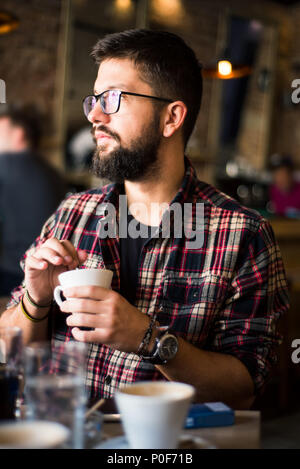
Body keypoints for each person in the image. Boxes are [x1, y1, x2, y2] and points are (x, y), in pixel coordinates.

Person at [0, 30, 289, 409]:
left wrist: (149, 339)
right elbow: (10, 350)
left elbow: (245, 388)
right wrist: (35, 301)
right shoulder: (71, 214)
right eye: (95, 99)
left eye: (113, 99)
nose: (95, 115)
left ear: (171, 118)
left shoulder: (242, 234)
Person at [0, 106, 67, 295]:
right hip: (50, 274)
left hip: (11, 273)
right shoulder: (53, 174)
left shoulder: (5, 163)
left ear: (19, 134)